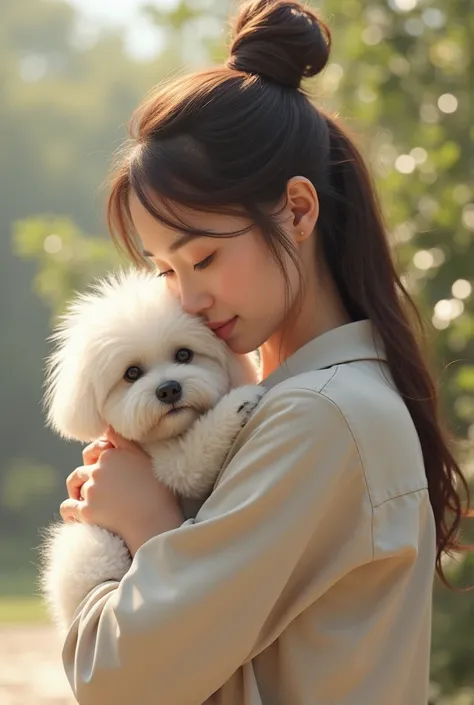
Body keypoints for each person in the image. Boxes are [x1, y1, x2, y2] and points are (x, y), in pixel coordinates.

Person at [57, 1, 472, 703]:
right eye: (166, 269)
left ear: (300, 211)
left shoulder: (319, 418)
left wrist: (149, 520)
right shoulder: (317, 400)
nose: (186, 298)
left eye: (206, 257)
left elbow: (115, 678)